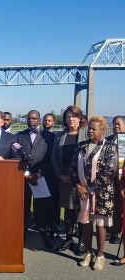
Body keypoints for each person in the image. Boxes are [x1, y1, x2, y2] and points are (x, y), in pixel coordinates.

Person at [74, 116, 118, 271]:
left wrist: (89, 189)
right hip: (82, 193)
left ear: (103, 131)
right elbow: (73, 168)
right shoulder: (81, 146)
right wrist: (79, 186)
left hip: (101, 193)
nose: (90, 131)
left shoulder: (109, 147)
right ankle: (88, 252)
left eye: (94, 129)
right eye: (89, 128)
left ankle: (100, 255)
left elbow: (109, 172)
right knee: (85, 224)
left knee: (100, 224)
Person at [15, 110, 56, 248]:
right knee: (23, 207)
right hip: (23, 177)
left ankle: (45, 235)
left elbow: (49, 159)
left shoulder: (48, 137)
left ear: (39, 120)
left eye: (34, 118)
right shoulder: (19, 136)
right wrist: (26, 173)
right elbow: (15, 156)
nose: (31, 121)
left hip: (40, 177)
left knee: (42, 208)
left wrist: (38, 174)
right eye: (29, 118)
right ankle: (22, 233)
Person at [52, 105, 87, 253]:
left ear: (80, 118)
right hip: (65, 179)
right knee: (68, 212)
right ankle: (68, 238)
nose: (70, 119)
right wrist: (60, 175)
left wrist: (82, 179)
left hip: (82, 180)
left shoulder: (86, 135)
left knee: (83, 211)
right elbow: (54, 157)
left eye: (74, 116)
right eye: (67, 116)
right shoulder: (60, 135)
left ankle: (82, 241)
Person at [107, 116, 125, 244]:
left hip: (121, 180)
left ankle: (117, 232)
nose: (115, 126)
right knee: (109, 206)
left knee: (118, 208)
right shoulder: (107, 140)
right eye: (114, 124)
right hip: (108, 180)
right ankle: (109, 230)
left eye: (118, 123)